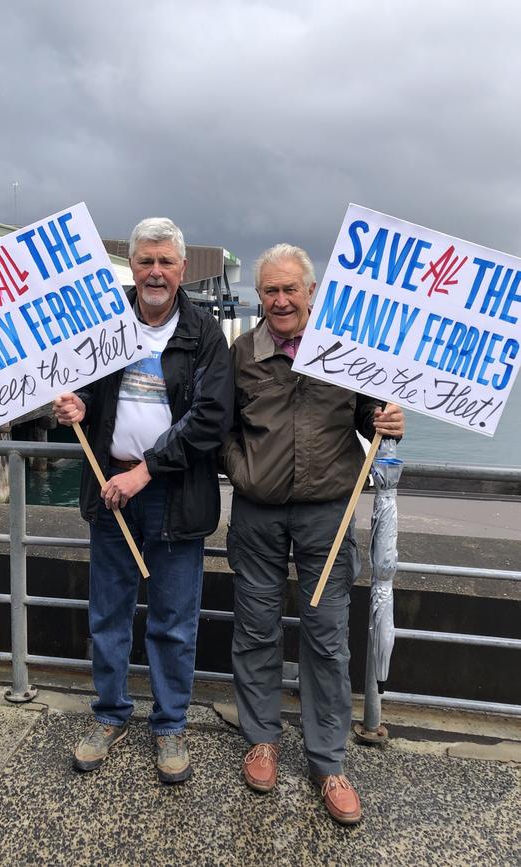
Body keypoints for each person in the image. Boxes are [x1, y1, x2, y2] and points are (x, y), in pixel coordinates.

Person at [221, 243, 404, 824]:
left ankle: (328, 763)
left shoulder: (346, 353)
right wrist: (242, 468)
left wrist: (392, 422)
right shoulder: (240, 353)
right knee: (255, 628)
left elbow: (373, 422)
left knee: (326, 638)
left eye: (290, 290)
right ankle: (262, 739)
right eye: (270, 291)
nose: (280, 301)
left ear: (311, 293)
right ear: (259, 297)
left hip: (327, 513)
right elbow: (216, 425)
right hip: (258, 513)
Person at [53, 218, 233, 784]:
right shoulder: (103, 325)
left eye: (166, 262)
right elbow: (78, 386)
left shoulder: (204, 333)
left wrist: (146, 471)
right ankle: (108, 714)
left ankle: (170, 723)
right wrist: (72, 407)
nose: (155, 271)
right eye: (145, 261)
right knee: (108, 612)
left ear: (183, 268)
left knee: (174, 619)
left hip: (173, 495)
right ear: (131, 267)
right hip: (111, 491)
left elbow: (210, 419)